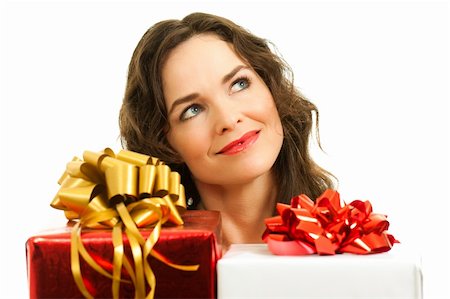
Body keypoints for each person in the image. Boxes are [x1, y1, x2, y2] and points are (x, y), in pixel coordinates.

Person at [119, 12, 335, 250]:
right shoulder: (148, 263)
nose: (229, 120)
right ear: (164, 143)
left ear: (270, 87)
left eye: (239, 84)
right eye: (192, 110)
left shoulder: (352, 244)